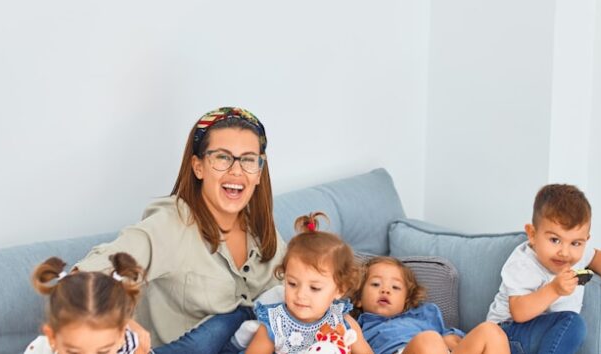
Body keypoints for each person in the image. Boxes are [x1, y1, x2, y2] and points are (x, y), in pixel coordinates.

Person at [74, 107, 286, 353]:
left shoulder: (262, 229)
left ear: (259, 172)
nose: (236, 171)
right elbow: (79, 281)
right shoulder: (170, 225)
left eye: (248, 159)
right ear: (198, 167)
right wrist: (123, 325)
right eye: (222, 157)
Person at [487, 184, 601, 353]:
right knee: (572, 323)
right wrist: (554, 289)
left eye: (575, 243)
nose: (565, 253)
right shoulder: (523, 263)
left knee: (572, 326)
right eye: (555, 240)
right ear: (532, 234)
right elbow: (519, 312)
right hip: (505, 335)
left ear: (585, 240)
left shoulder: (576, 254)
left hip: (544, 336)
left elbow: (597, 256)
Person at [245, 212, 374, 354]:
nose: (300, 294)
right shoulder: (276, 324)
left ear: (340, 290)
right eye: (292, 284)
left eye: (314, 288)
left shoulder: (342, 322)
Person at [353, 256, 509, 354]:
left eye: (395, 287)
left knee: (490, 331)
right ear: (359, 298)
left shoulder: (426, 314)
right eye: (375, 284)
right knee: (428, 340)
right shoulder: (357, 326)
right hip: (409, 349)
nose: (385, 290)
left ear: (406, 300)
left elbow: (453, 337)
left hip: (442, 349)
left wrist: (451, 338)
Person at [24, 252, 147, 354]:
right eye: (74, 353)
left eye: (103, 352)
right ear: (52, 337)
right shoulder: (39, 350)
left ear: (121, 336)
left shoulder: (131, 346)